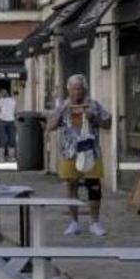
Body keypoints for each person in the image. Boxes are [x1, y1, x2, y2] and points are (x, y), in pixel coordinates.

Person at [48, 74, 112, 237]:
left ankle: (95, 222)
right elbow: (51, 126)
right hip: (70, 153)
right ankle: (74, 222)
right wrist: (60, 113)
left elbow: (108, 123)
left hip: (91, 152)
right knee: (71, 186)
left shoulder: (94, 105)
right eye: (74, 88)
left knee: (94, 186)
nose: (77, 92)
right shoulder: (63, 106)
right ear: (69, 90)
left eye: (80, 88)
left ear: (85, 89)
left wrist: (94, 117)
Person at [0, 89, 17, 160]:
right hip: (11, 120)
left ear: (1, 94)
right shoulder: (13, 100)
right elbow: (15, 111)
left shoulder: (0, 100)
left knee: (3, 138)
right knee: (12, 138)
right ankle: (12, 156)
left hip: (2, 120)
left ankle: (2, 157)